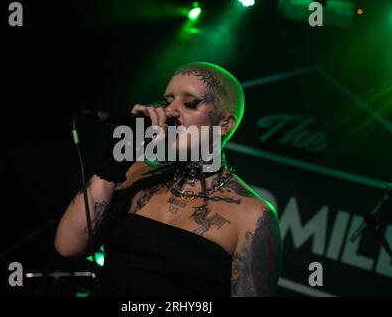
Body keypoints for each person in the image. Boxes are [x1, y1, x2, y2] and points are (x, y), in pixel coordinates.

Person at [54, 62, 282, 297]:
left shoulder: (252, 214)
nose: (170, 111)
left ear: (225, 124)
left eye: (190, 103)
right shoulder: (135, 172)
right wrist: (114, 163)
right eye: (167, 101)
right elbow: (68, 246)